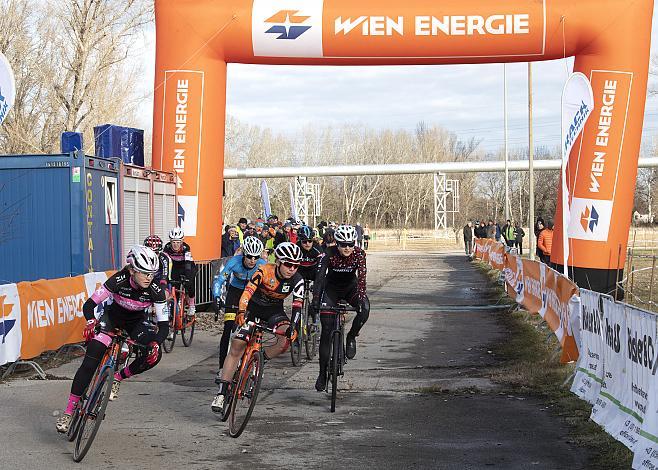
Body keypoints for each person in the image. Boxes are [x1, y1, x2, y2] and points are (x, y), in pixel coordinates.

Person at [55, 246, 168, 433]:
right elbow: (90, 304)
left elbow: (164, 325)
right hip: (112, 319)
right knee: (92, 357)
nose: (149, 277)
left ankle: (117, 377)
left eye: (152, 274)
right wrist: (91, 321)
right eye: (144, 273)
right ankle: (69, 411)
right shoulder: (119, 280)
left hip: (137, 324)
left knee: (154, 355)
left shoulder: (156, 290)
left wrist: (156, 343)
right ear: (132, 270)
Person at [211, 242, 304, 414]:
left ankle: (260, 357)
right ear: (278, 262)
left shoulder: (298, 280)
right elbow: (247, 292)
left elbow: (298, 306)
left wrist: (294, 326)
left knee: (287, 339)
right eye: (289, 264)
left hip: (274, 312)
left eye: (296, 265)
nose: (292, 269)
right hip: (253, 310)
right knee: (237, 346)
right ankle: (222, 393)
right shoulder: (264, 270)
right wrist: (241, 311)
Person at [312, 224, 369, 392]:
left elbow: (362, 278)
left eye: (350, 244)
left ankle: (351, 337)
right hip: (331, 290)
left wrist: (359, 298)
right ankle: (322, 373)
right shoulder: (328, 254)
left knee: (365, 307)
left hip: (350, 288)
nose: (347, 248)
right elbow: (320, 279)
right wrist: (316, 300)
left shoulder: (359, 254)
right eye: (343, 244)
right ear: (337, 244)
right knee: (326, 331)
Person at [212, 236, 267, 373]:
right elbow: (219, 280)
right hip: (235, 293)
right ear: (243, 254)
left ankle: (253, 363)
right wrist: (217, 297)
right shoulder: (234, 262)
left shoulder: (262, 264)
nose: (252, 260)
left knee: (255, 329)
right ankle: (221, 367)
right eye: (249, 256)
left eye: (255, 257)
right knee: (227, 329)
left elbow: (268, 285)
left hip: (252, 295)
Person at [163, 227, 197, 317]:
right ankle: (174, 308)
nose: (175, 245)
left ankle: (192, 305)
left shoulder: (186, 247)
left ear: (181, 242)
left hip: (186, 265)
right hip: (174, 266)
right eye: (173, 242)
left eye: (178, 242)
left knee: (190, 283)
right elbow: (165, 263)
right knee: (174, 286)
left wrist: (188, 277)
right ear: (170, 242)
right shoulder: (167, 248)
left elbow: (188, 264)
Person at [297, 225, 324, 322]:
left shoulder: (317, 249)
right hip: (300, 272)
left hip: (313, 271)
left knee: (320, 284)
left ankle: (314, 307)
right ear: (300, 241)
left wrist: (318, 284)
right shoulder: (296, 248)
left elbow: (322, 266)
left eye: (310, 241)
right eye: (304, 241)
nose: (307, 244)